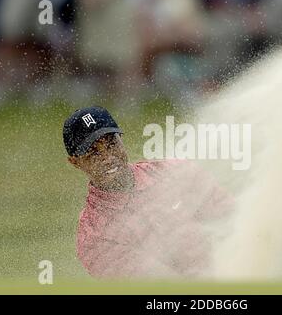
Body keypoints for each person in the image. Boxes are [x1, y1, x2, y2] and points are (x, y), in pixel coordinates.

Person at [63, 106, 233, 279]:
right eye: (93, 153)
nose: (108, 157)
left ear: (121, 139)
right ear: (75, 162)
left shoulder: (177, 172)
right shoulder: (95, 238)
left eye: (111, 144)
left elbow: (232, 221)